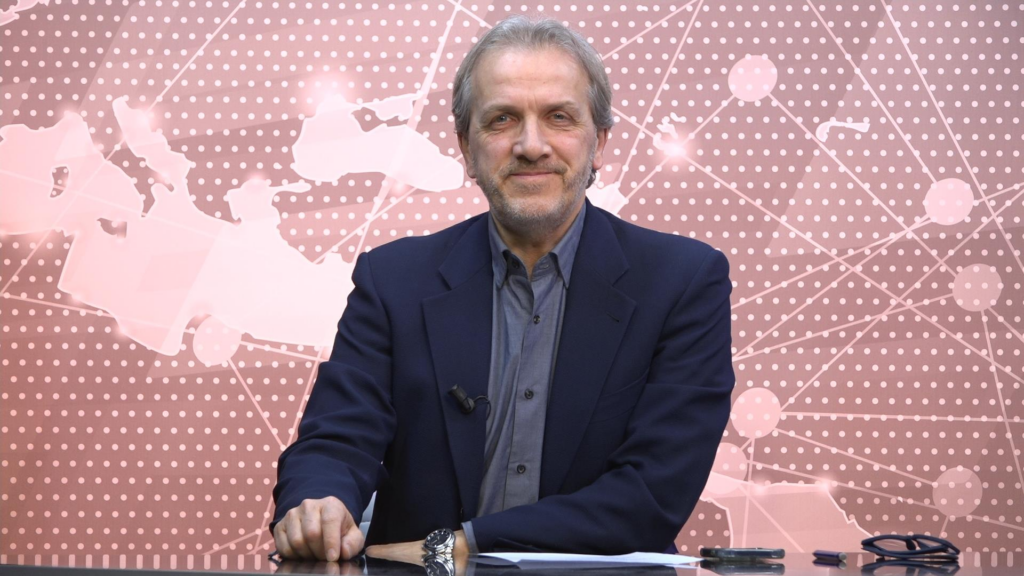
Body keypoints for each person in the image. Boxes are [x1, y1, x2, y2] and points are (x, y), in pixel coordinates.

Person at [270, 15, 735, 567]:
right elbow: (335, 439)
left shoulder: (684, 281)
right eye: (502, 119)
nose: (531, 146)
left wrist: (458, 547)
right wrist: (317, 503)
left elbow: (651, 494)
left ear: (599, 142)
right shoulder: (391, 280)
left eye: (559, 117)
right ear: (466, 148)